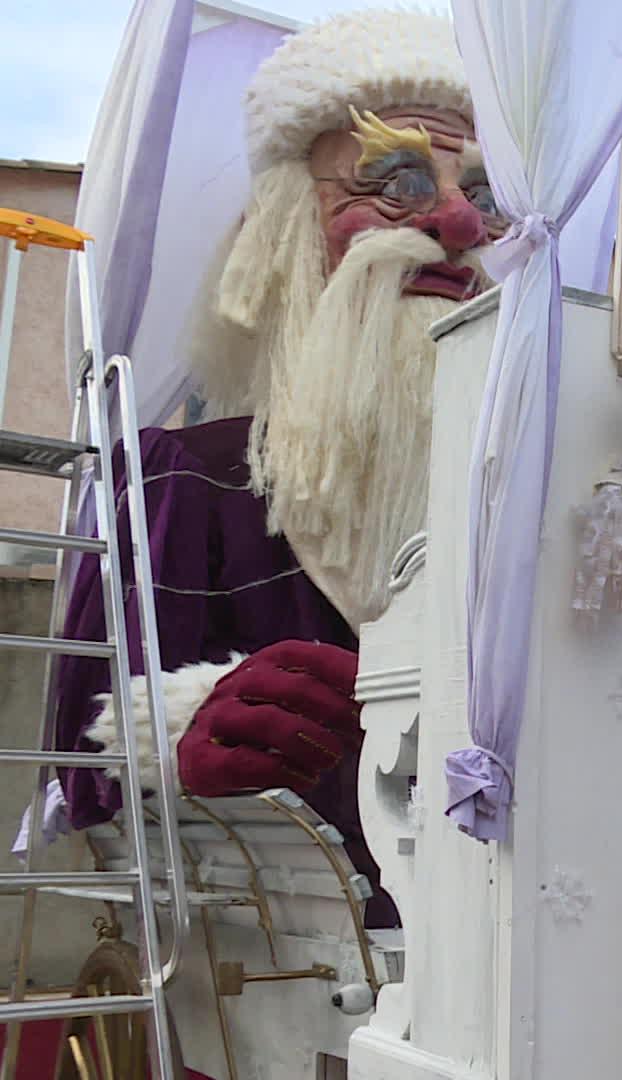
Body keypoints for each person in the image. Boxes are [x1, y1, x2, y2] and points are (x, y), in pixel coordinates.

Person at [48, 10, 500, 917]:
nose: (456, 221)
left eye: (482, 194)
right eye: (399, 179)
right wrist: (180, 727)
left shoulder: (525, 501)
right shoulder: (184, 482)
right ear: (287, 231)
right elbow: (82, 774)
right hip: (273, 993)